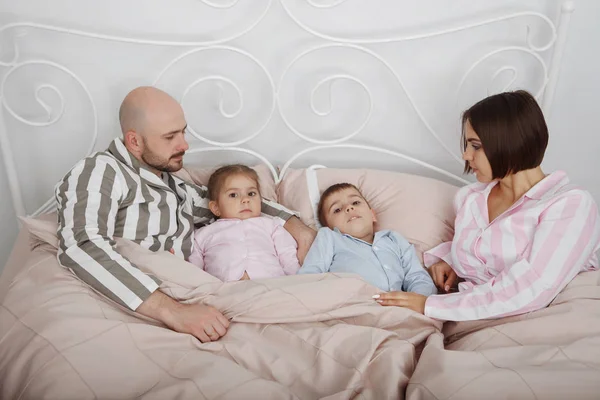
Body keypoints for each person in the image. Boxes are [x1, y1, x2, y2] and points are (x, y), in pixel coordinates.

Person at [55, 86, 316, 343]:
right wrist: (174, 312)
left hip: (196, 293)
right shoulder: (102, 171)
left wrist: (299, 229)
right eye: (170, 137)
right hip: (148, 304)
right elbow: (83, 244)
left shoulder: (174, 186)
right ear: (134, 141)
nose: (184, 145)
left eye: (183, 132)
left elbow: (231, 203)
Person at [374, 90, 600, 321]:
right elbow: (486, 250)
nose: (466, 155)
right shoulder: (471, 198)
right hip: (462, 313)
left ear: (509, 142)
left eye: (476, 146)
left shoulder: (570, 205)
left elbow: (534, 286)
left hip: (531, 318)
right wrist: (451, 261)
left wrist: (430, 306)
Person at [298, 183, 437, 296]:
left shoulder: (393, 239)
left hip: (397, 310)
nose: (349, 207)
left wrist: (419, 300)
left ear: (372, 215)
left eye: (356, 202)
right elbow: (310, 275)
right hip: (351, 306)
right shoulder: (330, 238)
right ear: (330, 226)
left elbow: (417, 277)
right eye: (337, 210)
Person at [188, 164, 300, 281]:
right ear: (216, 207)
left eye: (251, 194)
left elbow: (288, 256)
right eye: (233, 195)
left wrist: (298, 281)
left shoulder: (272, 226)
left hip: (271, 287)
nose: (245, 200)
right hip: (224, 291)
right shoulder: (203, 234)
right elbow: (194, 269)